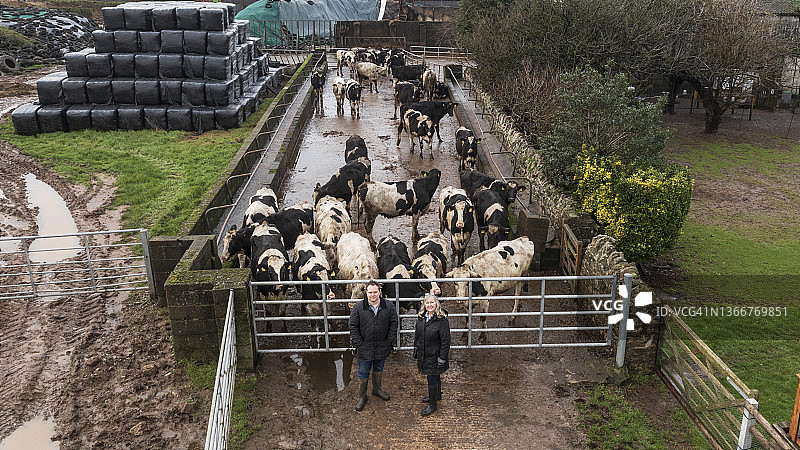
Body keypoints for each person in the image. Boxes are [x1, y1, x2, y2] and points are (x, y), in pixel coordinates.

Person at [348, 280, 399, 411]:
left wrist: (389, 340)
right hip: (365, 346)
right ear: (366, 293)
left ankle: (377, 389)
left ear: (379, 292)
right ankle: (362, 396)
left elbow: (394, 322)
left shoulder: (388, 305)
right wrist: (359, 342)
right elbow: (353, 326)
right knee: (363, 371)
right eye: (370, 292)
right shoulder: (358, 307)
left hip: (382, 344)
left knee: (379, 368)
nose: (372, 295)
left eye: (375, 292)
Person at [413, 292, 450, 416]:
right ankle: (436, 396)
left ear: (436, 304)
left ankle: (433, 404)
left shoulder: (441, 320)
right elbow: (417, 335)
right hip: (424, 353)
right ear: (424, 304)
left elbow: (446, 341)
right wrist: (416, 350)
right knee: (434, 375)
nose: (429, 305)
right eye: (427, 302)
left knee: (431, 377)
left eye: (432, 302)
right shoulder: (421, 317)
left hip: (435, 355)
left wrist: (442, 358)